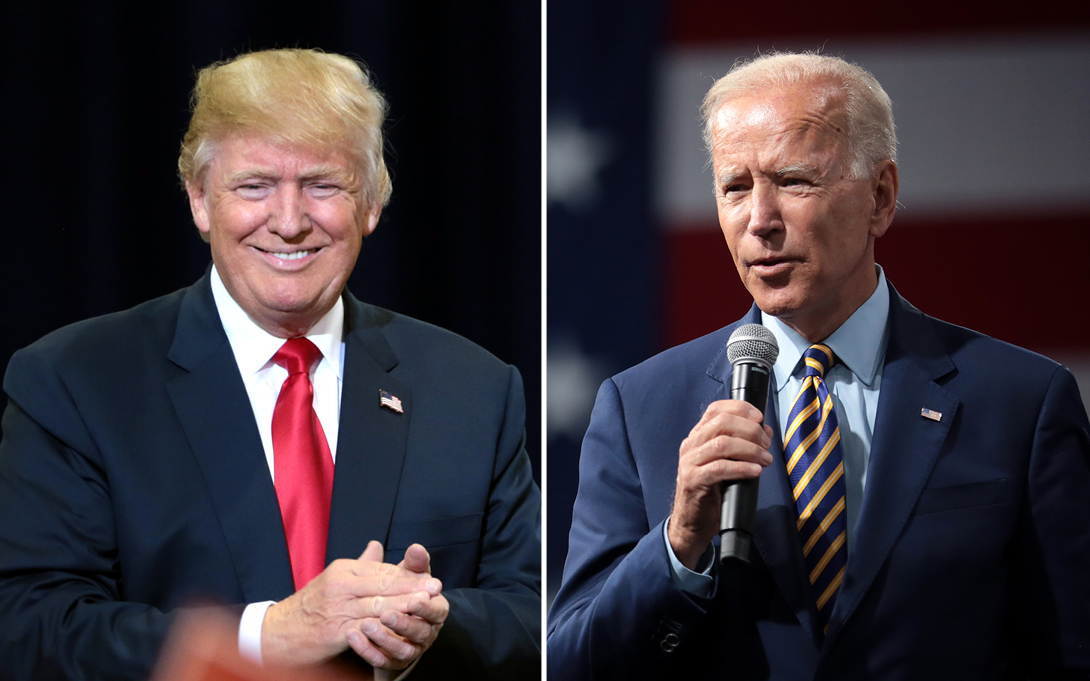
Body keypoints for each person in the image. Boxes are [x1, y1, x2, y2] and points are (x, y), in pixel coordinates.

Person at [0, 49, 540, 681]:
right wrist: (265, 637)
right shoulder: (75, 383)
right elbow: (28, 626)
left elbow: (536, 618)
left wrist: (423, 623)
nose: (289, 223)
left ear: (371, 202)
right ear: (201, 201)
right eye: (254, 186)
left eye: (322, 185)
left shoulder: (474, 389)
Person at [547, 52, 1090, 679]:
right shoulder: (638, 406)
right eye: (735, 187)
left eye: (795, 181)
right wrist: (677, 544)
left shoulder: (1023, 400)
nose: (760, 221)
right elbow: (571, 663)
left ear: (880, 197)